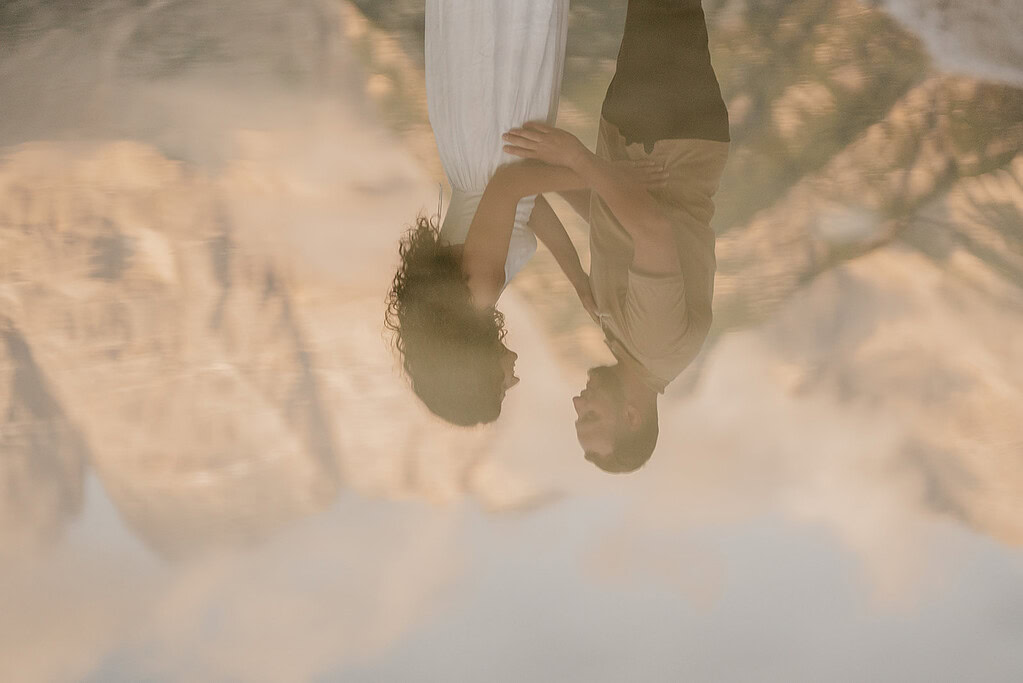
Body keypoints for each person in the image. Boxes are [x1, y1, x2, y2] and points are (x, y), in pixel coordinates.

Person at [387, 0, 665, 427]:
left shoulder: (478, 291)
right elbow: (524, 208)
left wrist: (605, 176)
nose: (512, 383)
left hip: (498, 137)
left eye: (499, 388)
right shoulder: (464, 296)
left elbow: (510, 186)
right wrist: (577, 278)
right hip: (478, 142)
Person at [503, 0, 731, 471]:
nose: (577, 406)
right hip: (671, 129)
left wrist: (577, 275)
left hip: (644, 128)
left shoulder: (625, 344)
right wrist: (577, 158)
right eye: (591, 418)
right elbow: (650, 230)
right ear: (631, 415)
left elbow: (611, 223)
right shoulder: (655, 345)